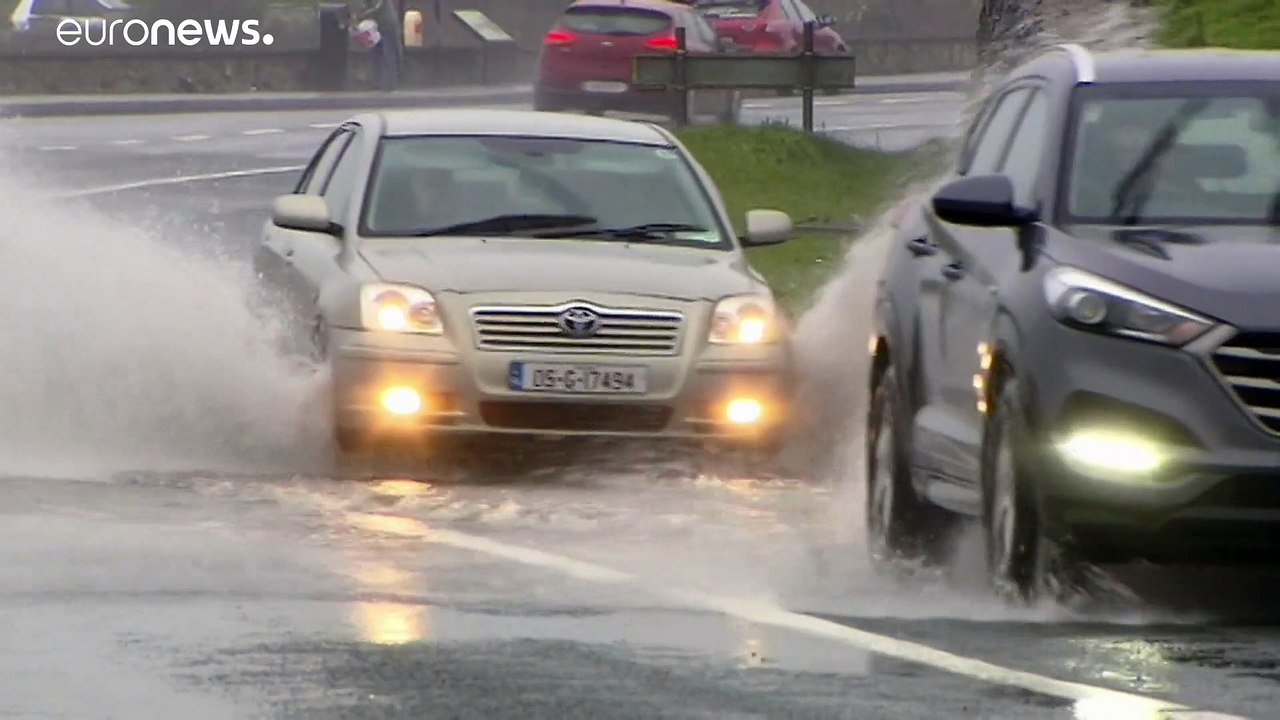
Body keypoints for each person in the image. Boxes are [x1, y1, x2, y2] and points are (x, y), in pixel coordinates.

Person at [356, 0, 402, 91]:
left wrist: (362, 15)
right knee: (376, 53)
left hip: (388, 24)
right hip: (377, 25)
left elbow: (377, 8)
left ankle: (390, 84)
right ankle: (378, 82)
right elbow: (366, 7)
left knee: (388, 54)